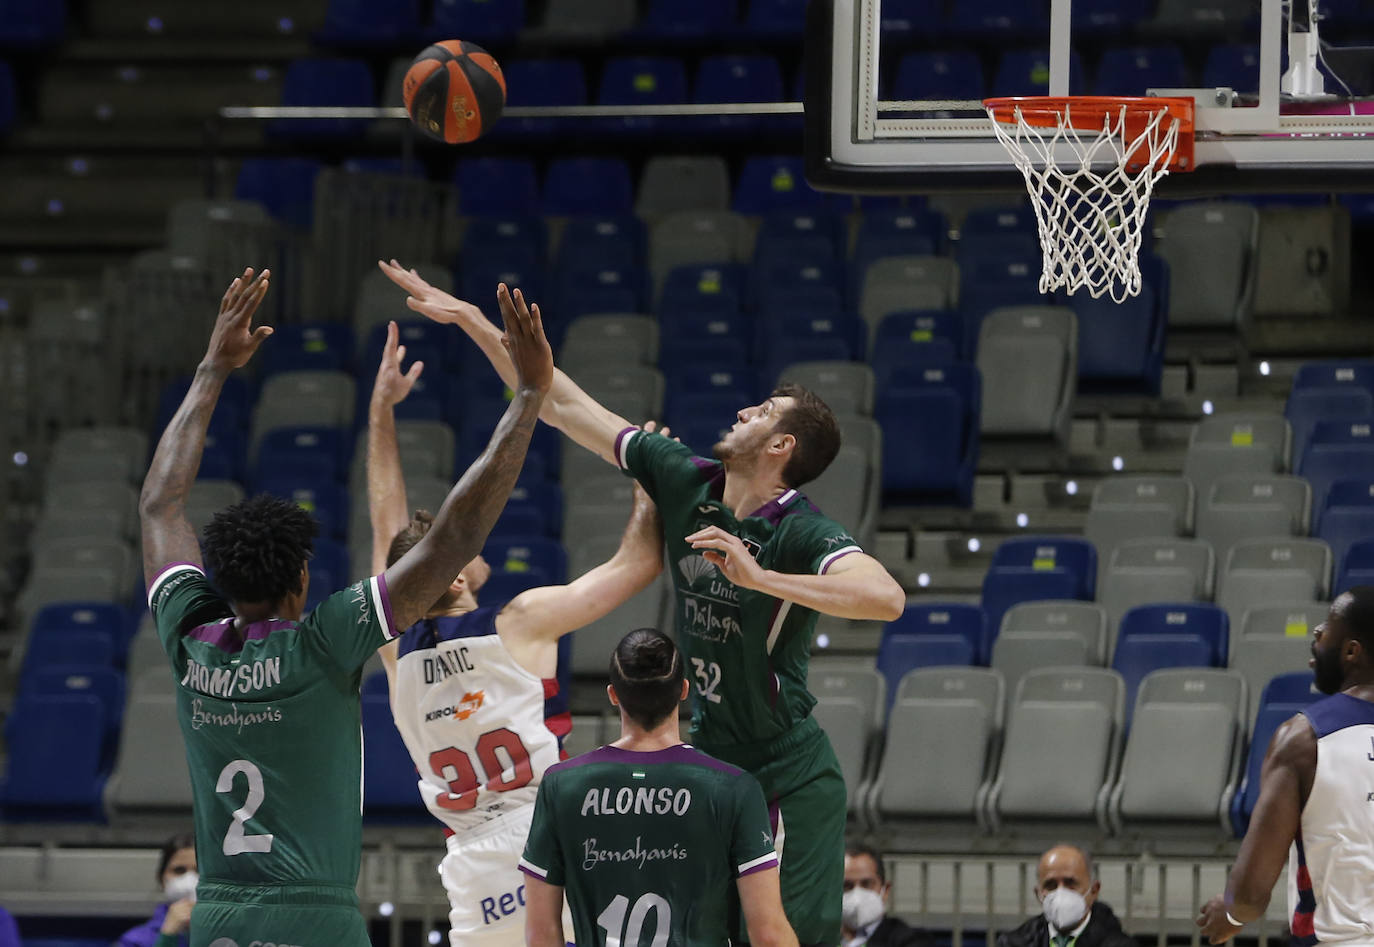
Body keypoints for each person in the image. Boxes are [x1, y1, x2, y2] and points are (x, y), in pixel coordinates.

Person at [381, 261, 906, 946]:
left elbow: (886, 598)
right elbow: (564, 404)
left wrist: (762, 578)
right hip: (706, 756)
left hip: (787, 766)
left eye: (764, 412)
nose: (745, 409)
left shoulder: (800, 529)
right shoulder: (686, 477)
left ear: (783, 446)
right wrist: (473, 322)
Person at [140, 267, 552, 945]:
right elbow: (451, 538)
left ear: (216, 575)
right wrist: (529, 395)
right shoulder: (324, 641)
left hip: (217, 915)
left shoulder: (190, 638)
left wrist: (212, 369)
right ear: (301, 581)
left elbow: (160, 503)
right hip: (314, 914)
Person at [365, 319, 666, 946]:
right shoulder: (519, 623)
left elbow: (383, 523)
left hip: (472, 856)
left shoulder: (392, 644)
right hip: (547, 831)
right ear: (452, 578)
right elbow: (637, 567)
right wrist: (649, 493)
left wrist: (380, 416)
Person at [519, 627, 799, 947]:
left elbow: (540, 934)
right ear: (683, 689)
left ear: (613, 694)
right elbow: (769, 936)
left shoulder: (561, 785)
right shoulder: (734, 787)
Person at [1197, 588, 1374, 946]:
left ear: (1351, 651)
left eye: (1328, 626)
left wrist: (1230, 914)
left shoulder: (1302, 740)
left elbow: (1250, 894)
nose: (1316, 632)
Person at [997, 845, 1134, 947]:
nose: (1060, 892)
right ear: (1038, 893)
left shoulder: (1119, 944)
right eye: (1051, 885)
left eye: (1070, 883)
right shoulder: (1012, 943)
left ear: (1094, 890)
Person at [842, 845, 932, 947]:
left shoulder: (912, 940)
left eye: (867, 884)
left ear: (885, 891)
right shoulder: (823, 939)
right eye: (847, 886)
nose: (857, 895)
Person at [117, 833, 197, 947]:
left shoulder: (228, 933)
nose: (190, 880)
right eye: (179, 870)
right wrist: (167, 937)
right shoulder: (135, 941)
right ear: (161, 879)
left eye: (200, 870)